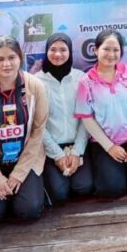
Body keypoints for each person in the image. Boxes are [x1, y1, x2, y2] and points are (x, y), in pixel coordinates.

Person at [0, 36, 49, 225]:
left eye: (11, 58)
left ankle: (26, 191)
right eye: (0, 59)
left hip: (25, 159)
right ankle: (5, 195)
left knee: (30, 210)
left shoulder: (36, 87)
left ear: (20, 58)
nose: (6, 64)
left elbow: (37, 133)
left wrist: (19, 174)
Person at [75, 29, 127, 197]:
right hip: (105, 143)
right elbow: (87, 119)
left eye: (116, 50)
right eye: (106, 49)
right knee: (111, 189)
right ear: (95, 50)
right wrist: (110, 147)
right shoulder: (86, 82)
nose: (111, 54)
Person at [35, 33, 93, 203]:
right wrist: (57, 155)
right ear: (46, 51)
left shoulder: (80, 78)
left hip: (78, 145)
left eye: (63, 49)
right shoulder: (37, 82)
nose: (58, 54)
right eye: (53, 49)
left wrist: (76, 151)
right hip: (50, 148)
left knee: (83, 187)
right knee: (59, 193)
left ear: (70, 52)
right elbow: (38, 124)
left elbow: (86, 119)